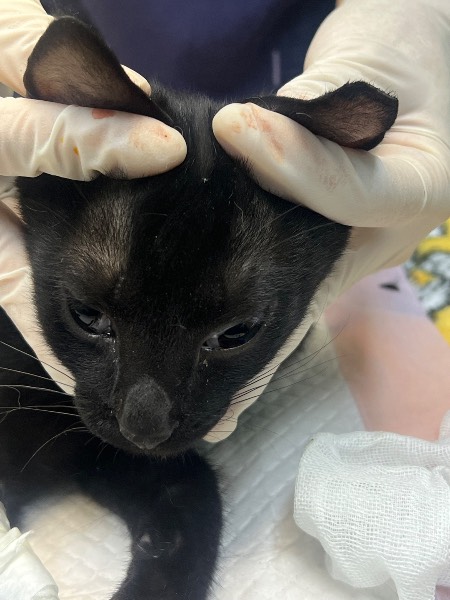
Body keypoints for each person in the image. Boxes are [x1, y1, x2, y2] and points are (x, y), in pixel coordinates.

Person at [0, 0, 449, 400]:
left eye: (234, 333)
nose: (146, 427)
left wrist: (419, 16)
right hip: (87, 87)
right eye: (87, 316)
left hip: (295, 113)